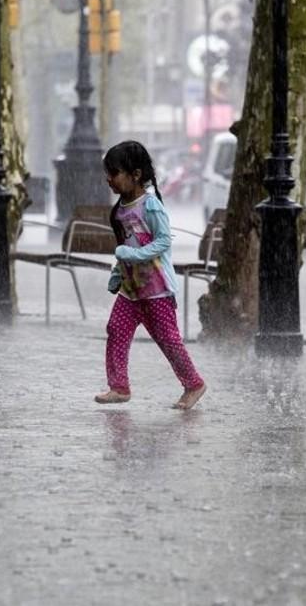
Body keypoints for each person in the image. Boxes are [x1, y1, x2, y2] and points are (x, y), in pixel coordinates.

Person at [95, 140, 207, 410]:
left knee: (168, 340)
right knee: (116, 330)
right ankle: (119, 386)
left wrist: (133, 255)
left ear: (135, 175)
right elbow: (125, 246)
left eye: (114, 173)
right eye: (107, 173)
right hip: (131, 291)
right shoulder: (120, 210)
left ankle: (193, 384)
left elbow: (163, 241)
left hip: (156, 290)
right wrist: (117, 272)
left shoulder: (150, 205)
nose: (108, 179)